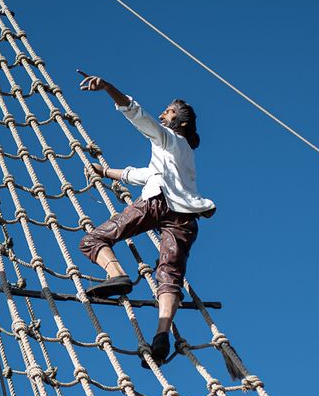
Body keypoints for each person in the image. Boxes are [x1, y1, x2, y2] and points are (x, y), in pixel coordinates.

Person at [75, 70, 215, 365]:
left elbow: (138, 116)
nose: (164, 114)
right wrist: (106, 172)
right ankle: (162, 334)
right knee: (169, 275)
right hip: (186, 218)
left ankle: (116, 275)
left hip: (156, 203)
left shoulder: (170, 140)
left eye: (169, 112)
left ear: (181, 123)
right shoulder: (181, 155)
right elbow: (141, 174)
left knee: (93, 239)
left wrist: (108, 87)